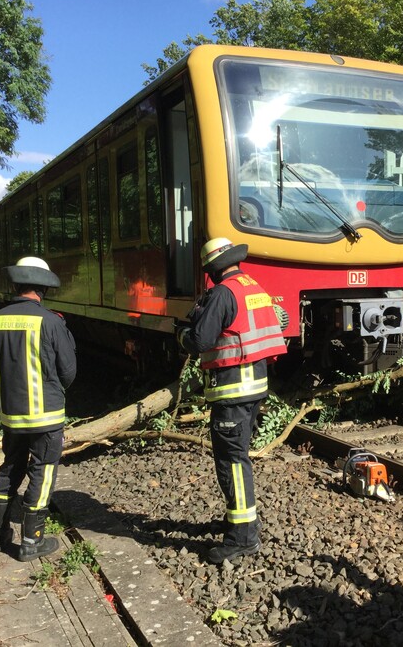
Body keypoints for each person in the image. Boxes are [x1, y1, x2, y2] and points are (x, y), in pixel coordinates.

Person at [176, 237, 287, 564]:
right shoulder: (252, 287)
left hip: (232, 391)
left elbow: (200, 340)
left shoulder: (223, 293)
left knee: (232, 462)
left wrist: (180, 334)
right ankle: (242, 520)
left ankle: (242, 538)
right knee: (238, 458)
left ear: (211, 269)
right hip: (254, 388)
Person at [0, 257, 77, 561]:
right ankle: (31, 541)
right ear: (44, 288)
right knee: (43, 471)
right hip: (46, 416)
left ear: (15, 285)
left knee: (10, 467)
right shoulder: (50, 321)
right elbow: (68, 372)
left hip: (11, 415)